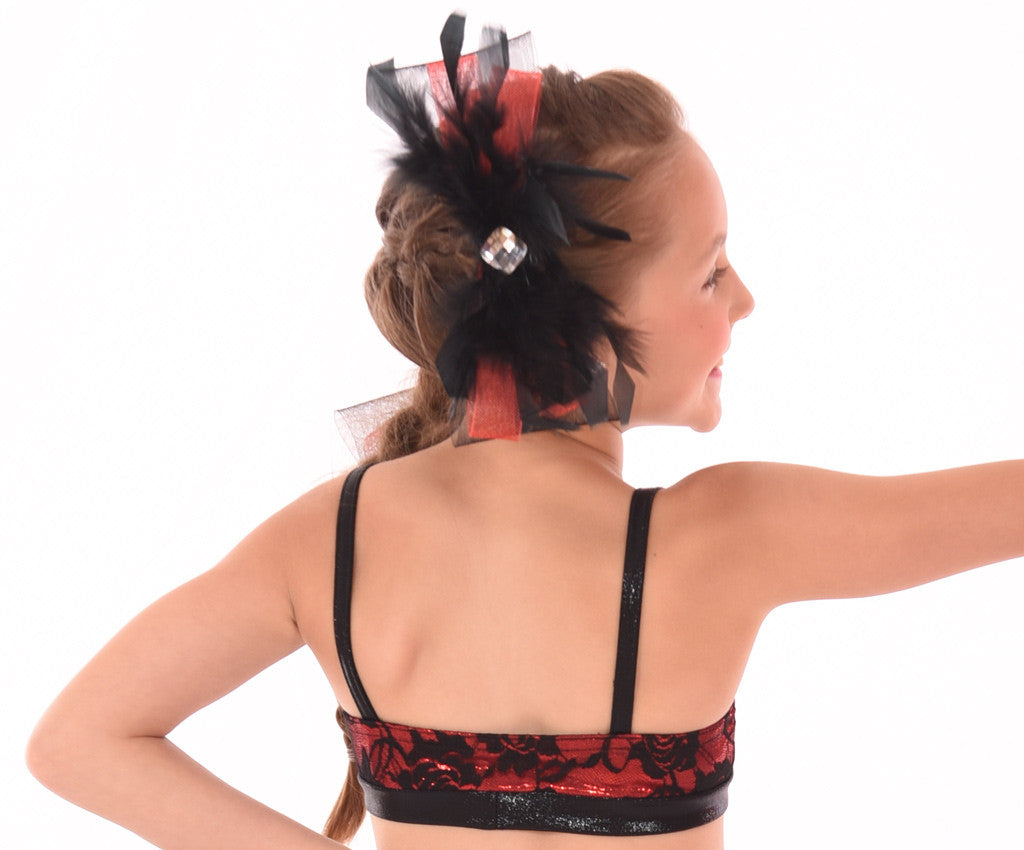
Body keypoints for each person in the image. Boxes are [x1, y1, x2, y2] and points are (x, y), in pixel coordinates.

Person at [25, 12, 1023, 850]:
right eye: (711, 272)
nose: (745, 300)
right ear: (575, 324)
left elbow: (78, 742)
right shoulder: (732, 532)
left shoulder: (330, 539)